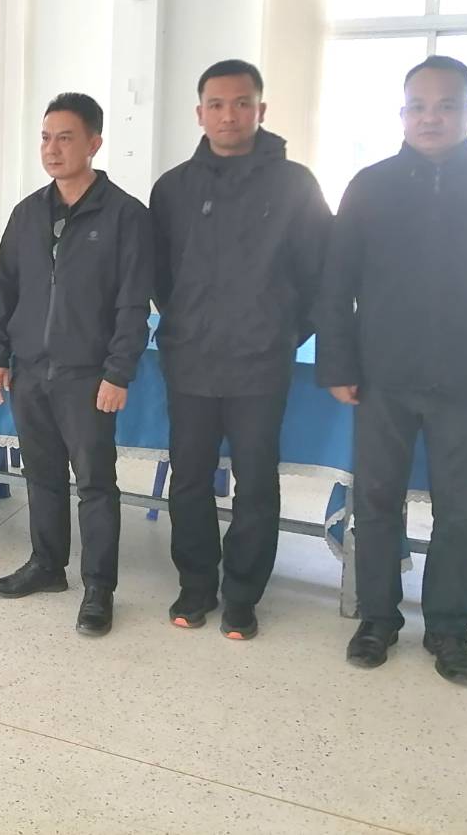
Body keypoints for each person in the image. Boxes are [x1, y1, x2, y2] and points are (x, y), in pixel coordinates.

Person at [316, 55, 467, 686]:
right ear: (402, 114)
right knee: (376, 504)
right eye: (418, 107)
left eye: (446, 105)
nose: (430, 117)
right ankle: (377, 619)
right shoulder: (370, 186)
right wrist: (337, 361)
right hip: (382, 380)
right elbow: (336, 283)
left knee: (461, 515)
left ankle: (449, 630)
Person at [148, 60, 331, 640]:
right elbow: (160, 276)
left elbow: (319, 276)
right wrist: (188, 324)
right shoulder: (173, 188)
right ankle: (196, 584)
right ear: (199, 113)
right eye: (217, 104)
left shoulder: (295, 185)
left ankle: (243, 595)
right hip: (191, 361)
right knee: (189, 480)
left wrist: (280, 334)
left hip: (261, 365)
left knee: (256, 484)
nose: (229, 115)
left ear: (261, 110)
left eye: (242, 103)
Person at [0, 92, 152, 637]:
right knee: (42, 475)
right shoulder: (28, 213)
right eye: (45, 138)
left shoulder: (125, 215)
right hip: (31, 370)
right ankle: (46, 565)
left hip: (88, 375)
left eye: (65, 138)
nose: (52, 149)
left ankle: (99, 587)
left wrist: (118, 372)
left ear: (94, 143)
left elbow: (133, 303)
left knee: (96, 483)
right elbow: (5, 290)